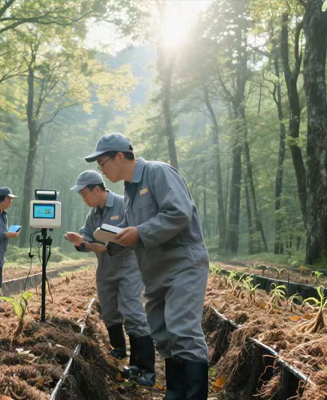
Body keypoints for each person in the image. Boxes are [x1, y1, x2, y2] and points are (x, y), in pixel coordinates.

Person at [85, 133, 210, 400]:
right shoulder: (129, 191)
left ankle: (194, 395)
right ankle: (175, 392)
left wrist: (140, 231)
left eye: (102, 163)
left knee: (182, 328)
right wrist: (109, 241)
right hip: (154, 270)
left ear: (120, 156)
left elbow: (178, 213)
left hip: (182, 264)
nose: (101, 171)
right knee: (162, 331)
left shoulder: (157, 172)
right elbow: (132, 234)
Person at [64, 170, 156, 386]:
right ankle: (119, 353)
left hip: (128, 267)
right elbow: (87, 236)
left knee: (132, 311)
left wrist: (107, 244)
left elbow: (136, 234)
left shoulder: (125, 204)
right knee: (110, 312)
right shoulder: (93, 214)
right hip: (105, 269)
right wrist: (80, 242)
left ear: (97, 189)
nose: (83, 198)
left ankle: (144, 368)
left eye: (85, 194)